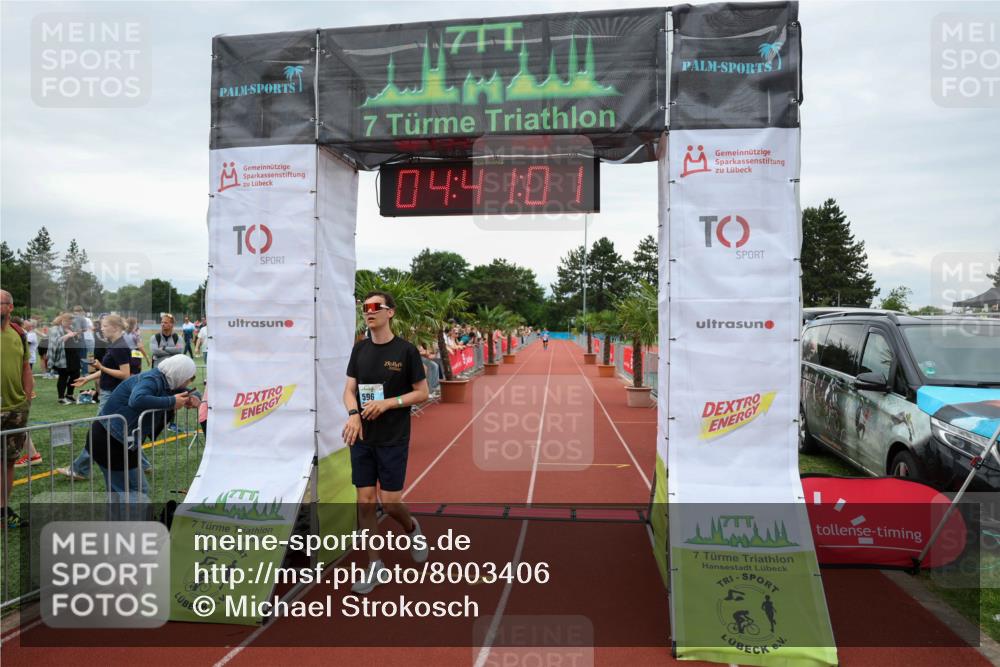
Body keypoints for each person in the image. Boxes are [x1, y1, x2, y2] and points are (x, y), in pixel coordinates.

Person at [342, 291, 430, 594]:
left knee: (390, 502)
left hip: (393, 437)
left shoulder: (405, 351)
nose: (369, 312)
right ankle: (375, 564)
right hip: (363, 437)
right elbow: (348, 390)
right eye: (365, 308)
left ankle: (411, 527)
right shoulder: (360, 350)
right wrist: (354, 414)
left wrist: (389, 403)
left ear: (390, 312)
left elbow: (423, 392)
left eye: (375, 307)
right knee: (364, 501)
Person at [86, 355, 199, 500]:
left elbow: (177, 390)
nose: (188, 382)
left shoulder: (165, 380)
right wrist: (171, 402)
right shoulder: (151, 380)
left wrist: (192, 396)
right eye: (189, 378)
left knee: (117, 493)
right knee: (136, 490)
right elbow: (137, 399)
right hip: (110, 440)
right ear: (179, 373)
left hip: (117, 439)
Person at [59, 315, 135, 481]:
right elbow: (108, 369)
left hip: (113, 396)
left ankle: (80, 469)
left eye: (105, 326)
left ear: (115, 328)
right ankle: (143, 464)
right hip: (111, 394)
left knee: (98, 433)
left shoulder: (119, 347)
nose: (101, 328)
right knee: (119, 432)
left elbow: (125, 374)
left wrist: (101, 367)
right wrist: (88, 378)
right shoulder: (115, 344)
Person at [1, 289, 34, 528]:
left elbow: (26, 367)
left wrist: (26, 400)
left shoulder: (19, 333)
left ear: (10, 307)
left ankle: (2, 510)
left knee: (9, 461)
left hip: (15, 409)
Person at [49, 313, 80, 404]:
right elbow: (56, 342)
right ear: (62, 320)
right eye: (69, 320)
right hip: (63, 356)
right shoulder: (55, 329)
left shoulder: (70, 328)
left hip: (73, 355)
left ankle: (69, 395)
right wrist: (68, 336)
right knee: (63, 376)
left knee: (76, 374)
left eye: (71, 320)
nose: (71, 322)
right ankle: (61, 398)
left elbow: (75, 341)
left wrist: (76, 335)